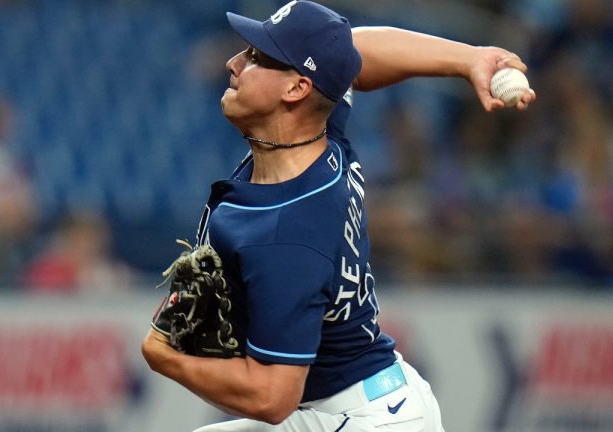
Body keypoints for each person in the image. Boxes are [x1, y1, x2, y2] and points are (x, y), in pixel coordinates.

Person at [141, 1, 535, 431]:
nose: (233, 62)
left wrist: (167, 355)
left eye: (255, 57)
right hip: (367, 398)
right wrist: (467, 58)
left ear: (296, 89)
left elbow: (272, 396)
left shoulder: (287, 231)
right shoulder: (318, 134)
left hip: (363, 420)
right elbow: (352, 54)